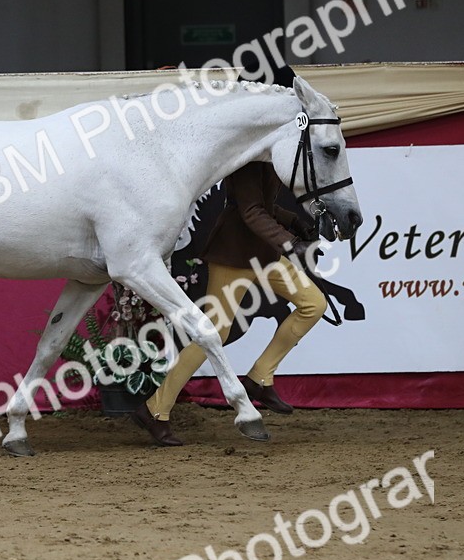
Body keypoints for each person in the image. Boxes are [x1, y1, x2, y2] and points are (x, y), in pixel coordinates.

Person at [131, 161, 326, 446]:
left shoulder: (267, 157)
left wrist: (294, 222)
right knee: (213, 335)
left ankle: (260, 377)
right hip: (233, 255)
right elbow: (250, 211)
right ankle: (154, 409)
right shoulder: (248, 162)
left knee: (313, 303)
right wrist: (290, 242)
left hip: (264, 255)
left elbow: (265, 207)